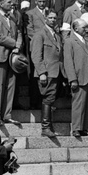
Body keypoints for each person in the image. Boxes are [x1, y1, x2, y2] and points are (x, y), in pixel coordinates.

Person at [31, 8, 63, 136]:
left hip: (57, 72)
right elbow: (36, 55)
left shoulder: (57, 36)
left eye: (55, 18)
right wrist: (42, 72)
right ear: (45, 18)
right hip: (47, 72)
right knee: (48, 98)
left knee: (52, 98)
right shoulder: (40, 34)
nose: (53, 20)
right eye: (50, 18)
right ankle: (45, 127)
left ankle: (49, 126)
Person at [64, 14, 88, 137]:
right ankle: (76, 128)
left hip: (87, 76)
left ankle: (84, 127)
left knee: (86, 104)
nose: (86, 29)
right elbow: (68, 61)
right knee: (78, 103)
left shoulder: (85, 40)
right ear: (76, 28)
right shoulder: (70, 41)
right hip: (78, 77)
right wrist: (72, 79)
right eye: (83, 27)